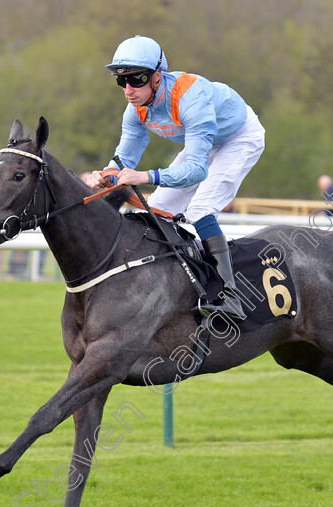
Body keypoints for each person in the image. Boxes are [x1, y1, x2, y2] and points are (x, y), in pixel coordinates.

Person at [85, 35, 266, 319]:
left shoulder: (190, 97)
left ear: (157, 77)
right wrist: (108, 173)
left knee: (200, 210)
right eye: (122, 81)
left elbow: (196, 170)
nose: (129, 90)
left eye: (136, 79)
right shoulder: (135, 109)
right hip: (205, 143)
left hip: (240, 137)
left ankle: (231, 295)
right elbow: (124, 158)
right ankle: (175, 287)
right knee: (161, 210)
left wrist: (144, 175)